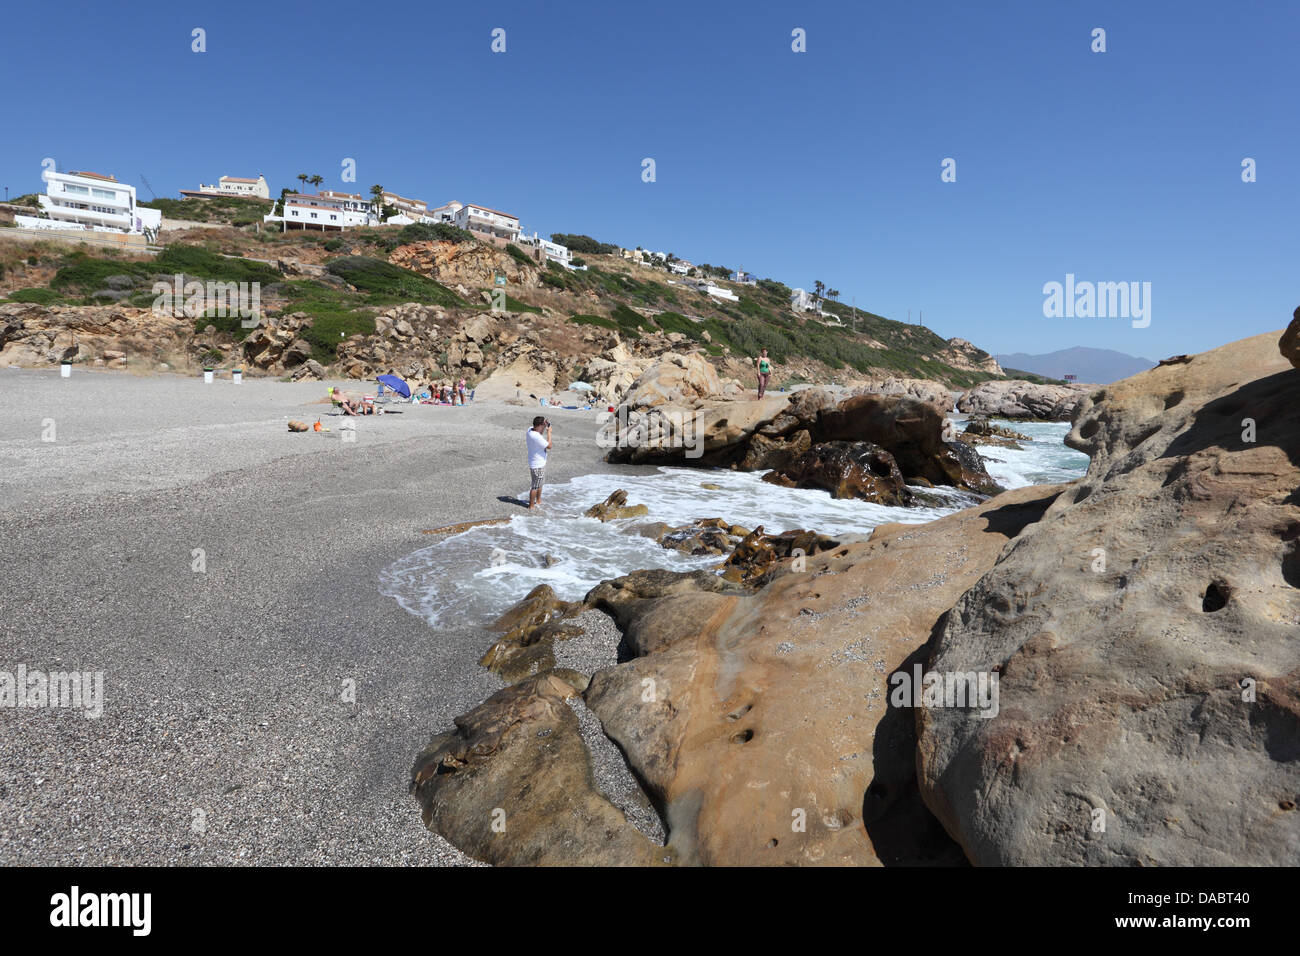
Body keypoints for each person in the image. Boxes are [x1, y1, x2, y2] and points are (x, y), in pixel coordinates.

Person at [525, 415, 552, 509]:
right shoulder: (536, 436)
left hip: (537, 463)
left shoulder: (530, 430)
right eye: (543, 425)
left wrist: (544, 425)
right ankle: (531, 505)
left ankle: (538, 500)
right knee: (535, 486)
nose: (545, 427)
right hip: (538, 465)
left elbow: (538, 430)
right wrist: (549, 432)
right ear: (540, 425)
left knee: (540, 483)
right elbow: (549, 446)